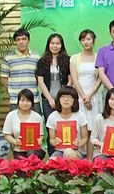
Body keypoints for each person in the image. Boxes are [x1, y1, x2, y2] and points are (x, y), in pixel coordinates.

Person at [70, 29, 102, 159]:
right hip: (79, 96)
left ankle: (90, 159)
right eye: (83, 40)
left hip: (94, 96)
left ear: (93, 40)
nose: (86, 42)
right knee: (80, 128)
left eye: (88, 39)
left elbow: (100, 78)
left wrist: (90, 96)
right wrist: (84, 96)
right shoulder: (74, 58)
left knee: (92, 129)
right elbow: (74, 78)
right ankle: (79, 158)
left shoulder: (99, 57)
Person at [1, 28, 41, 113]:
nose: (21, 42)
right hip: (16, 100)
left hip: (33, 99)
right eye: (18, 40)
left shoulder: (36, 57)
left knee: (36, 121)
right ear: (15, 41)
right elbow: (4, 79)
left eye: (24, 39)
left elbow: (39, 78)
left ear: (28, 40)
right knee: (16, 122)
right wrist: (12, 92)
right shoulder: (8, 58)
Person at [46, 86, 89, 159]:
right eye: (63, 97)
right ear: (58, 99)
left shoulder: (80, 115)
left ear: (74, 100)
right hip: (60, 151)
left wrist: (79, 143)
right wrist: (55, 142)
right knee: (51, 161)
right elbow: (52, 140)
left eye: (69, 97)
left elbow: (85, 137)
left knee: (68, 152)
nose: (66, 99)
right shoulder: (52, 116)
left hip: (77, 151)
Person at [36, 33, 71, 120]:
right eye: (52, 43)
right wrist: (50, 99)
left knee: (64, 124)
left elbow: (70, 80)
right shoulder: (42, 61)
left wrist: (62, 97)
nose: (55, 46)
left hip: (64, 100)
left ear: (62, 45)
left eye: (58, 43)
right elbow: (41, 81)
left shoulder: (67, 60)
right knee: (50, 124)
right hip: (47, 100)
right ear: (48, 45)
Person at [2, 88, 45, 159]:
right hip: (19, 149)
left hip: (35, 150)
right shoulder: (11, 115)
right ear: (18, 101)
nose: (25, 103)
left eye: (28, 101)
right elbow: (7, 135)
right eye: (22, 100)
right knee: (20, 164)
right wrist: (15, 141)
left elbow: (41, 135)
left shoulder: (37, 117)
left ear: (32, 103)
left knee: (31, 156)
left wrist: (40, 140)